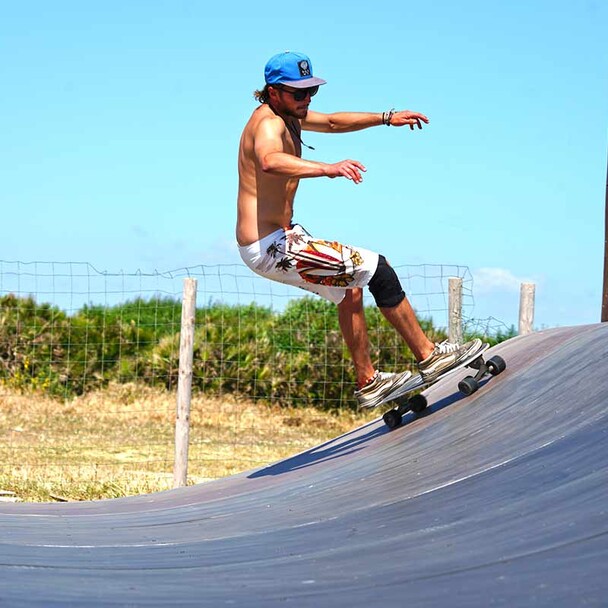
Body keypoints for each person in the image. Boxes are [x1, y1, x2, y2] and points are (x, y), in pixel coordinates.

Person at [236, 51, 482, 409]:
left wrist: (386, 117)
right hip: (272, 246)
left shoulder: (290, 116)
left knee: (350, 290)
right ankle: (430, 357)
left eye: (311, 93)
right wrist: (328, 168)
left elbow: (335, 122)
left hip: (283, 239)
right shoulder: (268, 124)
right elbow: (269, 160)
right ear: (273, 92)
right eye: (298, 94)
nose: (306, 101)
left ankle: (368, 381)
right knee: (378, 269)